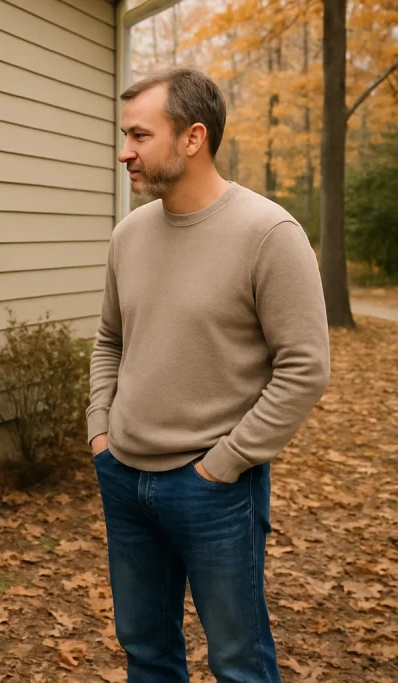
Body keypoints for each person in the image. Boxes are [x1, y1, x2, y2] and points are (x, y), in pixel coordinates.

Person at [86, 66, 330, 682]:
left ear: (193, 138)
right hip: (125, 477)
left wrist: (225, 463)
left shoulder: (268, 233)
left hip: (214, 489)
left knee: (239, 663)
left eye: (140, 136)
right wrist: (100, 433)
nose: (125, 151)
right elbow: (110, 339)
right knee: (146, 654)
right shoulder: (129, 234)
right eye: (125, 135)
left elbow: (305, 368)